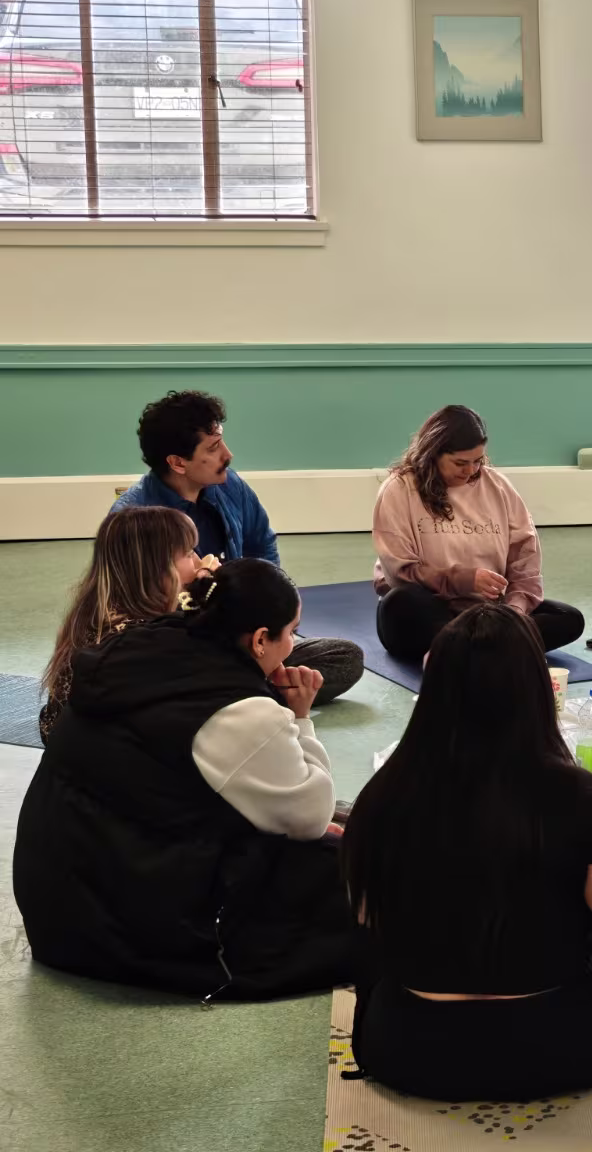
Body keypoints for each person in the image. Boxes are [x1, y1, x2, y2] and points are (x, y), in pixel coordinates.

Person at [341, 604, 592, 1100]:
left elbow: (368, 922)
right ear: (536, 690)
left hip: (406, 1050)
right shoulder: (581, 798)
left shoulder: (383, 793)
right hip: (557, 1053)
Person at [13, 558, 357, 1000]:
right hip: (125, 919)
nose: (294, 644)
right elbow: (309, 819)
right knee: (346, 868)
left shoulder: (142, 643)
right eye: (291, 632)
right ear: (258, 640)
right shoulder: (240, 711)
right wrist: (300, 718)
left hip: (58, 897)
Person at [112, 390, 363, 703]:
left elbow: (263, 548)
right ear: (178, 462)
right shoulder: (136, 517)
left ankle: (233, 694)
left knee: (344, 657)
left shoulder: (230, 485)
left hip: (246, 641)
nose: (228, 455)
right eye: (214, 448)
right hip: (180, 646)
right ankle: (244, 693)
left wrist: (276, 616)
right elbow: (140, 615)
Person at [372, 405, 585, 661]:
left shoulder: (498, 486)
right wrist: (466, 580)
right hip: (429, 612)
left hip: (486, 614)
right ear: (433, 454)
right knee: (401, 601)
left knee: (568, 619)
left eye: (478, 461)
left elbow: (525, 562)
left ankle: (458, 651)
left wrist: (513, 612)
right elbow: (400, 573)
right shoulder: (398, 490)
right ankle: (490, 648)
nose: (471, 470)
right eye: (460, 463)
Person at [38, 506, 204, 741]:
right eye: (188, 554)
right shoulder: (137, 638)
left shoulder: (95, 610)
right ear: (156, 568)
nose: (197, 563)